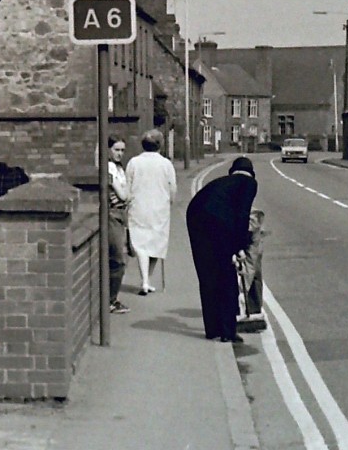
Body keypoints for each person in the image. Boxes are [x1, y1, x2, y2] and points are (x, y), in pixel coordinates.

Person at [186, 156, 258, 343]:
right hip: (218, 221)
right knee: (227, 276)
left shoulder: (223, 182)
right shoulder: (249, 183)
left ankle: (213, 329)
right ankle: (228, 331)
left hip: (195, 215)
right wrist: (240, 247)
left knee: (207, 275)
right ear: (251, 173)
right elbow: (242, 215)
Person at [125, 129, 177, 295]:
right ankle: (146, 281)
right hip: (159, 209)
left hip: (138, 207)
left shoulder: (133, 162)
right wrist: (171, 201)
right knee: (156, 244)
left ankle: (146, 281)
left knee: (141, 244)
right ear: (160, 145)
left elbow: (127, 186)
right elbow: (173, 188)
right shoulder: (166, 164)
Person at [107, 136, 130, 314]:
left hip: (122, 215)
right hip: (113, 214)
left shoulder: (119, 168)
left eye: (122, 150)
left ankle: (112, 299)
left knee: (123, 258)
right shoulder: (108, 168)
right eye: (116, 150)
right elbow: (123, 195)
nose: (120, 153)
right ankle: (110, 300)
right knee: (118, 260)